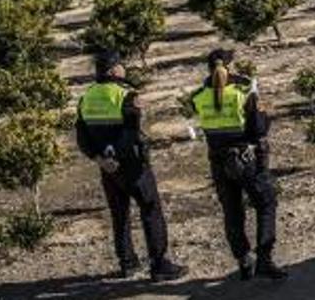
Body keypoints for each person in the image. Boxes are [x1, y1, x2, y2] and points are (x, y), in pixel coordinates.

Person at [76, 51, 187, 281]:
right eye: (120, 65)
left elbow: (82, 138)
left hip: (107, 169)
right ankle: (159, 265)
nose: (123, 69)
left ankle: (127, 263)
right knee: (150, 210)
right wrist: (117, 157)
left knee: (119, 215)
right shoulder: (126, 95)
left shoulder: (85, 97)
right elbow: (130, 134)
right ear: (113, 70)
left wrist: (101, 160)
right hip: (133, 167)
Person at [187, 48, 288, 281]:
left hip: (218, 161)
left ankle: (243, 259)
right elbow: (259, 129)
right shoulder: (244, 91)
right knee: (266, 203)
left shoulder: (199, 96)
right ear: (230, 67)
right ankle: (264, 258)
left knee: (232, 211)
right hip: (247, 159)